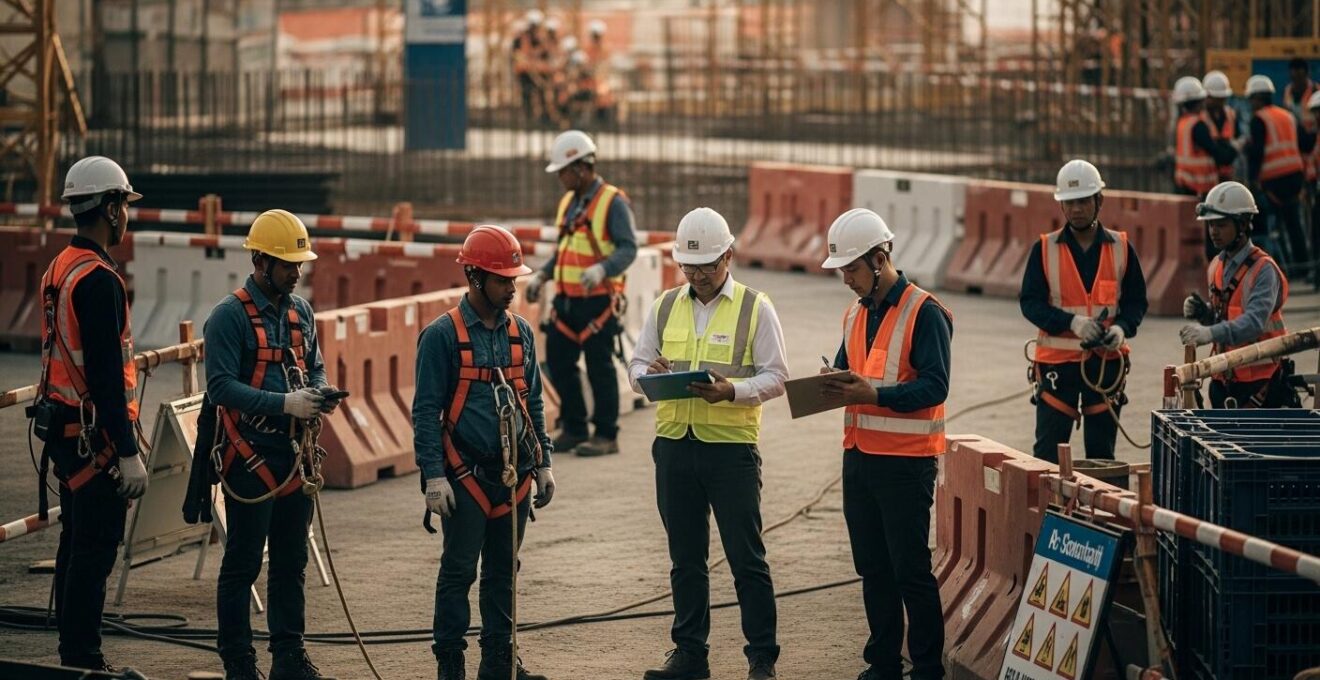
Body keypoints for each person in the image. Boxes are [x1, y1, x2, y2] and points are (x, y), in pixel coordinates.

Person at [629, 208, 786, 680]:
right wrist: (647, 377)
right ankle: (689, 654)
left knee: (746, 558)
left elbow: (777, 376)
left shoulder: (756, 307)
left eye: (707, 266)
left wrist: (731, 391)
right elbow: (636, 366)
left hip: (730, 450)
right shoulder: (664, 306)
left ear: (728, 257)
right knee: (685, 560)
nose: (697, 275)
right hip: (675, 446)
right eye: (689, 267)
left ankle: (761, 657)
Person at [204, 209, 343, 680]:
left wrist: (320, 394)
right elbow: (220, 387)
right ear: (261, 261)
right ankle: (239, 663)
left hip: (295, 458)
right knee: (243, 562)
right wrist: (286, 403)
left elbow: (316, 364)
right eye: (288, 264)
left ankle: (288, 656)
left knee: (290, 562)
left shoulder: (300, 311)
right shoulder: (229, 318)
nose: (297, 272)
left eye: (299, 264)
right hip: (251, 458)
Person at [413, 225, 556, 680]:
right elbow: (425, 412)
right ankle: (449, 667)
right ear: (474, 278)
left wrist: (545, 462)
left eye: (514, 279)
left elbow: (533, 401)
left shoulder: (521, 333)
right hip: (464, 475)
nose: (512, 288)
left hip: (514, 477)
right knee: (458, 574)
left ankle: (499, 663)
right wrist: (434, 477)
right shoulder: (442, 336)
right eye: (502, 280)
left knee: (502, 574)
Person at [817, 208, 951, 680]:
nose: (846, 281)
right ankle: (884, 663)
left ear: (880, 259)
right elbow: (844, 365)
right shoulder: (855, 311)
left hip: (906, 465)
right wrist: (830, 382)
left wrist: (873, 394)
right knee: (873, 568)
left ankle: (929, 667)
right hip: (859, 458)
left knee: (910, 571)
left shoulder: (924, 311)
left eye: (851, 270)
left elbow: (935, 387)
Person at [32, 155, 148, 672]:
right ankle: (84, 658)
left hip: (63, 429)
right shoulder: (99, 281)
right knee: (94, 551)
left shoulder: (62, 267)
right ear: (109, 208)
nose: (128, 215)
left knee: (75, 541)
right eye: (124, 203)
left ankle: (72, 652)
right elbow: (103, 378)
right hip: (92, 437)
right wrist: (127, 453)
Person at [1020, 160, 1148, 463]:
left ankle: (1101, 511)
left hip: (1105, 365)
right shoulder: (1044, 249)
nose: (1076, 209)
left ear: (1098, 201)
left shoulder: (1121, 247)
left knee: (1101, 453)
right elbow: (1030, 303)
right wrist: (1072, 323)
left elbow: (1136, 302)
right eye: (1069, 203)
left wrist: (1122, 329)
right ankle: (1048, 510)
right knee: (1048, 454)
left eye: (1082, 201)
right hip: (1057, 369)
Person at [526, 130, 638, 458]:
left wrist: (602, 269)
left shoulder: (612, 202)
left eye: (563, 171)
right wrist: (543, 275)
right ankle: (575, 427)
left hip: (598, 301)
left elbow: (629, 248)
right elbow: (564, 250)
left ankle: (606, 434)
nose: (560, 178)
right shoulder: (569, 204)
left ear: (581, 168)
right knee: (559, 360)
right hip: (568, 301)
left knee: (599, 366)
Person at [1180, 182, 1298, 408]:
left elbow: (1253, 323)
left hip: (1261, 386)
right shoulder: (1216, 265)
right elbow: (1224, 317)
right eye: (1211, 225)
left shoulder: (1263, 270)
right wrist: (1204, 313)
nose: (1213, 231)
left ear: (1243, 224)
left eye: (1221, 225)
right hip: (1223, 379)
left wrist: (1209, 332)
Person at [1244, 74, 1312, 273]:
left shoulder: (1259, 119)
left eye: (1251, 99)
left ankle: (1269, 269)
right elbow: (1305, 143)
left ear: (1257, 98)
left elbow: (1257, 152)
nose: (1250, 104)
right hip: (1295, 177)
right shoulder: (1288, 115)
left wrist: (1252, 180)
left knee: (1266, 227)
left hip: (1273, 180)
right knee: (1294, 224)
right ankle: (1302, 266)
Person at [1172, 76, 1235, 198]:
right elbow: (1217, 153)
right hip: (1200, 188)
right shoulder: (1198, 125)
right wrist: (1234, 150)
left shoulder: (1183, 123)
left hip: (1184, 184)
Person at [1202, 70, 1243, 182]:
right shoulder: (1200, 118)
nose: (1220, 102)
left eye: (1222, 99)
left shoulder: (1231, 114)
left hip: (1227, 174)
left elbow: (1237, 137)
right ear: (1207, 96)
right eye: (1217, 99)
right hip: (1207, 176)